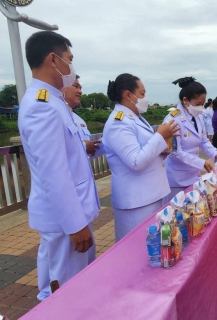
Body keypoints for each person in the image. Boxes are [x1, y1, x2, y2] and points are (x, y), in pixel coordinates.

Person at [18, 31, 100, 301]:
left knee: (80, 285)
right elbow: (54, 173)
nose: (71, 67)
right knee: (67, 293)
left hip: (72, 213)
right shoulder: (42, 106)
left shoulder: (54, 102)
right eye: (69, 59)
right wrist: (75, 225)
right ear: (53, 60)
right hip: (65, 219)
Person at [103, 73, 178, 242]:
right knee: (135, 251)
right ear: (128, 95)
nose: (146, 98)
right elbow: (135, 161)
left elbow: (144, 150)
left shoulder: (136, 117)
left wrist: (161, 149)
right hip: (136, 201)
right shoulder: (118, 122)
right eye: (142, 93)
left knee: (151, 246)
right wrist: (159, 136)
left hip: (150, 194)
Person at [163, 77, 217, 202]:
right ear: (185, 100)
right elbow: (175, 152)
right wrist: (202, 162)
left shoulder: (197, 116)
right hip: (176, 179)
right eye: (198, 104)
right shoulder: (172, 120)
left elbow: (203, 140)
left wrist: (216, 154)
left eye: (202, 104)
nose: (201, 107)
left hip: (193, 175)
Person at [61, 76, 103, 157]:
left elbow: (89, 153)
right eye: (76, 86)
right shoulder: (56, 116)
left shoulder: (80, 121)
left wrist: (107, 141)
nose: (80, 92)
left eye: (80, 88)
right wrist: (83, 146)